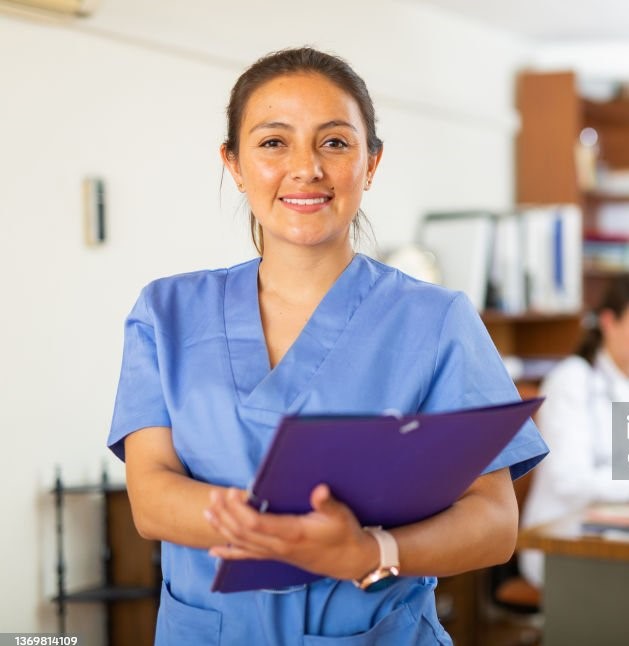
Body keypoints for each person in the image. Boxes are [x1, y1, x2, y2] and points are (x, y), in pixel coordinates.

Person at [108, 47, 548, 645]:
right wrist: (292, 531)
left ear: (371, 164)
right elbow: (152, 499)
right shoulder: (166, 314)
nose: (306, 168)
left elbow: (495, 523)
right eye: (273, 143)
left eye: (335, 142)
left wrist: (370, 549)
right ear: (233, 163)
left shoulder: (437, 320)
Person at [520, 276, 629, 588]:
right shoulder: (572, 381)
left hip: (615, 535)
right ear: (609, 321)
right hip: (559, 540)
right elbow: (570, 481)